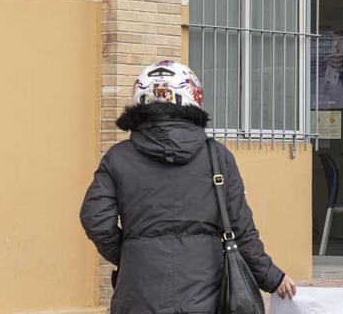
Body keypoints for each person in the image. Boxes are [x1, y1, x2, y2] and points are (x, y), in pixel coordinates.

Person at [80, 60, 297, 312]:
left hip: (138, 293)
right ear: (193, 97)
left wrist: (131, 254)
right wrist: (272, 277)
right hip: (205, 293)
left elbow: (95, 220)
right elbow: (241, 229)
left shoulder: (117, 157)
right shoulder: (217, 156)